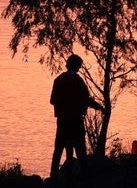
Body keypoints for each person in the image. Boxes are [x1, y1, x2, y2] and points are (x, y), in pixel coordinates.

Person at [49, 54, 104, 183]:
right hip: (76, 120)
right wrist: (100, 107)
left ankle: (54, 177)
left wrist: (63, 105)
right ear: (78, 66)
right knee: (80, 148)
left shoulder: (58, 80)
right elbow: (86, 99)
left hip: (62, 120)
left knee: (58, 148)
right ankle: (84, 178)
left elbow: (52, 100)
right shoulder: (78, 81)